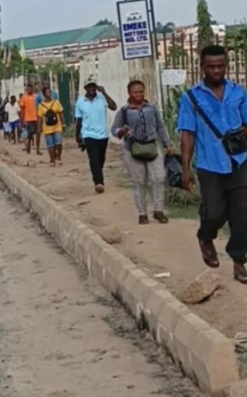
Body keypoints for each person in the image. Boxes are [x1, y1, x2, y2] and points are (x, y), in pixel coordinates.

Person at [178, 44, 247, 283]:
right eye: (211, 67)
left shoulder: (238, 93)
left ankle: (239, 261)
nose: (216, 71)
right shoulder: (190, 98)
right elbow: (187, 134)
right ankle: (205, 235)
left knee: (243, 216)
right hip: (209, 164)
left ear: (226, 66)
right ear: (202, 67)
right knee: (215, 212)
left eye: (220, 66)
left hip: (239, 161)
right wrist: (185, 168)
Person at [112, 80, 170, 224]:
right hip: (132, 149)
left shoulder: (151, 108)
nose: (138, 94)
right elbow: (114, 129)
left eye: (140, 91)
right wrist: (122, 131)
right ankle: (142, 213)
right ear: (129, 93)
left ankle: (158, 210)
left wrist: (166, 143)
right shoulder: (124, 112)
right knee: (139, 182)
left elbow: (160, 126)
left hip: (152, 146)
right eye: (135, 92)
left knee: (159, 178)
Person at [75, 79, 117, 192]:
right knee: (94, 158)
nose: (92, 89)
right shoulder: (80, 102)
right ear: (85, 89)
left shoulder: (102, 98)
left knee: (101, 158)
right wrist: (77, 136)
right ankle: (98, 182)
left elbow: (114, 107)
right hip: (88, 134)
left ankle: (97, 174)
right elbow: (78, 120)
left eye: (93, 86)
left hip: (103, 134)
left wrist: (104, 93)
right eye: (89, 87)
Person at [38, 86, 64, 166]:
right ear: (44, 94)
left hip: (57, 125)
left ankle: (58, 156)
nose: (48, 94)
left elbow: (60, 113)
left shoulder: (56, 102)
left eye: (49, 92)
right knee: (50, 145)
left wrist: (63, 123)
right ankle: (52, 160)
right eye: (47, 92)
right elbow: (40, 118)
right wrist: (39, 128)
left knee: (58, 142)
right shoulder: (41, 105)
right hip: (47, 127)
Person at [19, 84, 40, 155]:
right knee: (30, 133)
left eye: (30, 89)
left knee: (38, 133)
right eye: (28, 89)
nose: (29, 90)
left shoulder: (36, 97)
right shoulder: (24, 98)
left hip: (37, 117)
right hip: (28, 118)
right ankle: (29, 145)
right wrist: (22, 120)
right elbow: (22, 110)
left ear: (32, 89)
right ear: (26, 90)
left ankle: (37, 149)